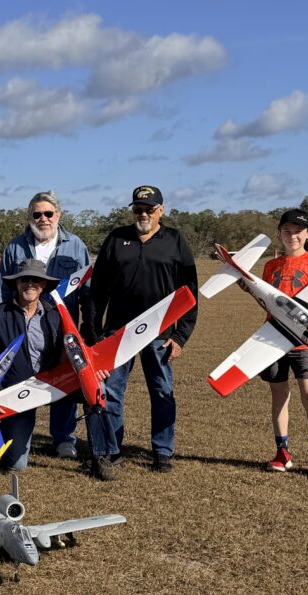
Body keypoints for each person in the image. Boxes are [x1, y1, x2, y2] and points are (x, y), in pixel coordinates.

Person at [82, 185, 198, 472]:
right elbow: (97, 292)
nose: (143, 214)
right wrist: (96, 334)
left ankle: (162, 452)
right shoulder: (116, 239)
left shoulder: (174, 240)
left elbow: (190, 292)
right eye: (137, 209)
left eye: (149, 209)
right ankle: (111, 450)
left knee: (162, 391)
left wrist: (180, 336)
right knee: (111, 391)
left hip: (160, 333)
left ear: (161, 210)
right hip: (118, 333)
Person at [0, 261, 117, 479]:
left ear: (43, 285)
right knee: (16, 464)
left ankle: (101, 456)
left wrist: (91, 373)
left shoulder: (56, 315)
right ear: (16, 283)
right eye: (24, 279)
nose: (30, 284)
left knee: (98, 389)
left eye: (36, 280)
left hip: (50, 383)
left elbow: (68, 355)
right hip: (14, 389)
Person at [0, 191, 91, 459]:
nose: (43, 218)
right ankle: (16, 428)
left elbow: (86, 290)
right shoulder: (15, 246)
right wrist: (0, 325)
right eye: (37, 214)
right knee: (19, 377)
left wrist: (86, 329)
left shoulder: (76, 246)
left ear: (58, 215)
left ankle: (63, 437)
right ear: (29, 217)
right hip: (21, 324)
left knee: (63, 379)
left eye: (49, 213)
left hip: (62, 327)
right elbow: (2, 289)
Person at [259, 209, 308, 481]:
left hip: (305, 343)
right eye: (287, 232)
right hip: (273, 339)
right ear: (280, 234)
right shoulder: (270, 267)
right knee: (278, 396)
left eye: (298, 232)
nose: (293, 237)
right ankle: (282, 453)